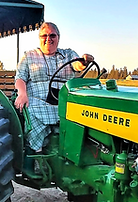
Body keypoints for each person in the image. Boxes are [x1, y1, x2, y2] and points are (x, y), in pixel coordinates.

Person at [14, 22, 93, 153]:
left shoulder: (68, 54)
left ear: (58, 37)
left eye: (52, 35)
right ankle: (36, 155)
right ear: (39, 37)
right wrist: (22, 94)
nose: (48, 39)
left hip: (65, 100)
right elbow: (20, 78)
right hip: (37, 99)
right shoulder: (29, 56)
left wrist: (84, 62)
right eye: (44, 35)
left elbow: (77, 65)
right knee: (31, 110)